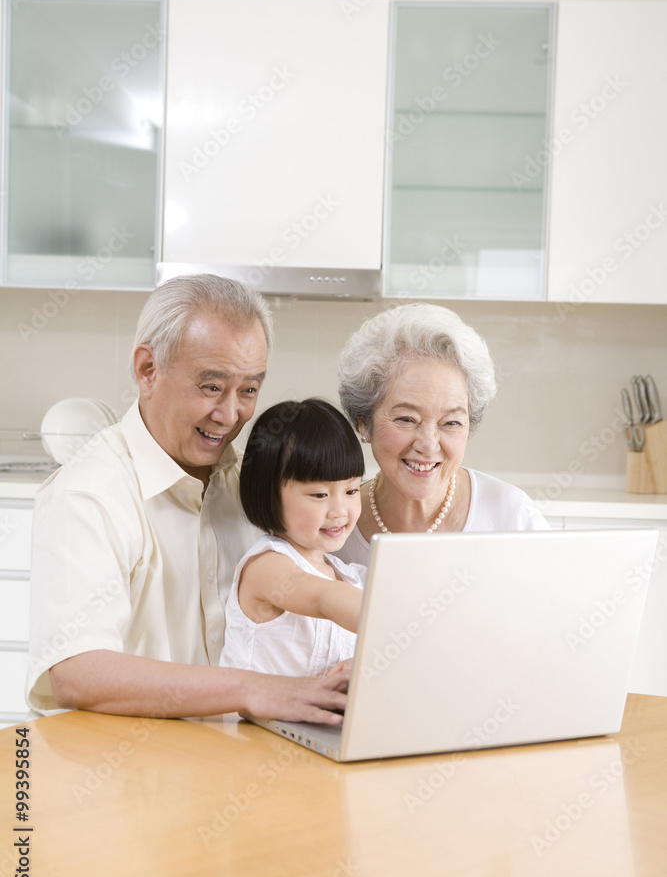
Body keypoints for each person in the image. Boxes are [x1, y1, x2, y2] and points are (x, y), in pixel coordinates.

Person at [26, 274, 349, 724]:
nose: (230, 414)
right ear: (147, 370)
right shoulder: (89, 496)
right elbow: (76, 672)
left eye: (249, 390)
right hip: (136, 775)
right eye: (211, 387)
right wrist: (252, 689)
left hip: (244, 765)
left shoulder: (253, 483)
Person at [336, 302, 548, 566]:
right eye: (406, 419)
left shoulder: (510, 516)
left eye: (450, 423)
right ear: (364, 422)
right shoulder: (332, 525)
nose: (428, 444)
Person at [220, 398, 366, 677]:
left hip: (313, 719)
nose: (340, 511)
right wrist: (391, 624)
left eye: (352, 491)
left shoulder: (350, 578)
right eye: (319, 495)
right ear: (269, 494)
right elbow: (323, 598)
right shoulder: (267, 566)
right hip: (251, 720)